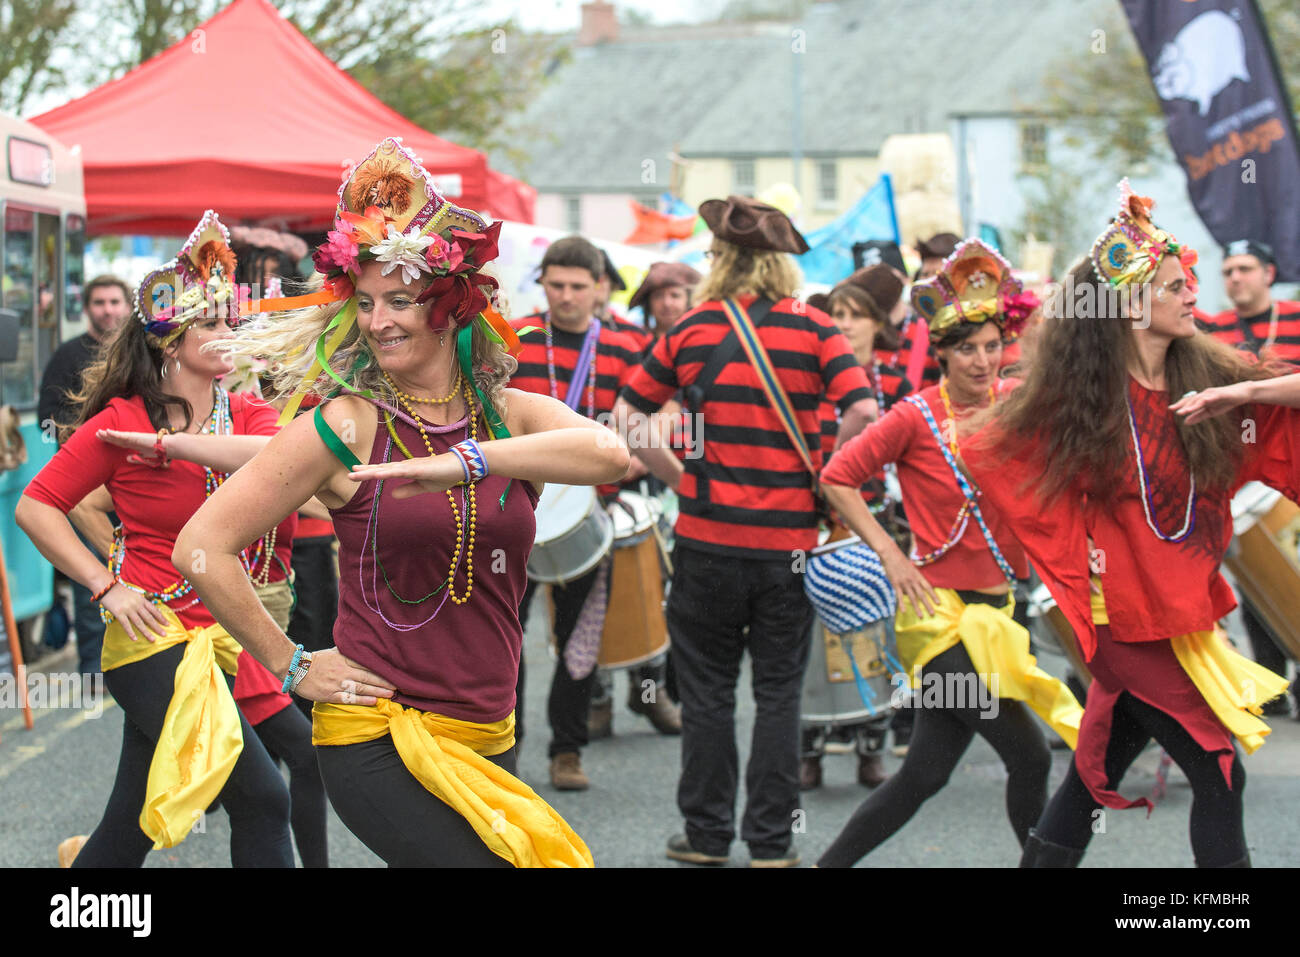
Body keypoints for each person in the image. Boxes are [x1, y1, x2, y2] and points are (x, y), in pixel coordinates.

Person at [179, 138, 624, 867]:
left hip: (487, 730)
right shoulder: (347, 423)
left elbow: (609, 453)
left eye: (400, 299)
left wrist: (469, 459)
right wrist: (291, 666)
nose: (378, 319)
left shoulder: (509, 414)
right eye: (365, 303)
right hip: (377, 732)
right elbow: (201, 547)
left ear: (450, 306)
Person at [963, 182, 1297, 867]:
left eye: (1189, 282)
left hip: (1179, 612)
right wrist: (1068, 543)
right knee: (1219, 770)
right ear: (1131, 302)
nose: (1190, 295)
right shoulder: (1079, 398)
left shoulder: (1207, 374)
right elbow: (983, 446)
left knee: (1092, 777)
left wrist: (1248, 389)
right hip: (1122, 620)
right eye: (1175, 285)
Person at [17, 212, 294, 867]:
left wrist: (178, 445)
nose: (230, 333)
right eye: (214, 323)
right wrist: (103, 585)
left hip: (224, 634)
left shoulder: (246, 413)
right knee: (261, 796)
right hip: (151, 638)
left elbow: (292, 462)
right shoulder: (121, 421)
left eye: (232, 319)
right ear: (171, 340)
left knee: (129, 826)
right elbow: (38, 506)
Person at [614, 194, 877, 867]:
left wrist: (680, 480)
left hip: (706, 542)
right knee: (778, 696)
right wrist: (825, 475)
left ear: (722, 260)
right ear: (782, 265)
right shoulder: (816, 329)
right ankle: (770, 842)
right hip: (788, 547)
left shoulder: (690, 330)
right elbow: (864, 410)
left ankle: (705, 836)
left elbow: (627, 416)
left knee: (705, 697)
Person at [814, 239, 1082, 868]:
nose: (984, 360)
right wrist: (890, 553)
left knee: (923, 775)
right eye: (967, 349)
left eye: (992, 346)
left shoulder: (1015, 409)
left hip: (1001, 613)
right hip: (940, 622)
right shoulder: (914, 416)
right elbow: (836, 477)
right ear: (940, 353)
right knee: (1031, 754)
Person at [509, 235, 677, 788]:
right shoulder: (516, 338)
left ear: (599, 288)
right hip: (515, 506)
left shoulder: (628, 344)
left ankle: (567, 750)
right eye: (555, 284)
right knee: (504, 634)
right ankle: (503, 748)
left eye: (578, 286)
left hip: (591, 511)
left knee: (581, 638)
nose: (565, 296)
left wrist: (635, 459)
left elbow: (665, 412)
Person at [802, 265, 914, 791]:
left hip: (876, 523)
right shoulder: (808, 380)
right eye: (836, 315)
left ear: (877, 325)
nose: (844, 324)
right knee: (813, 646)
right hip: (815, 527)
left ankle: (872, 748)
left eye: (856, 315)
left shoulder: (896, 383)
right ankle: (811, 749)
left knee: (876, 636)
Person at [1197, 238, 1300, 716]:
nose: (1235, 278)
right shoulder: (1211, 328)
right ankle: (1272, 680)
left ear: (1268, 272)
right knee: (1253, 576)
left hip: (1288, 471)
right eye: (1228, 271)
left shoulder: (1296, 316)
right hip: (1236, 476)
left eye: (1244, 268)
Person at [37, 274, 132, 680]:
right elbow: (49, 417)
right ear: (87, 308)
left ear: (128, 307)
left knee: (138, 565)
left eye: (114, 302)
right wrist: (85, 449)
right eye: (99, 302)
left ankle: (135, 658)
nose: (107, 310)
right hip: (85, 484)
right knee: (89, 574)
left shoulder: (138, 352)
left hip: (132, 479)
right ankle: (93, 668)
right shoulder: (67, 355)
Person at [628, 261, 702, 338]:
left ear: (688, 300)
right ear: (648, 302)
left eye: (675, 295)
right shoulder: (636, 340)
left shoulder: (697, 341)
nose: (667, 303)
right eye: (658, 296)